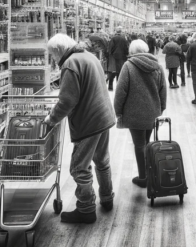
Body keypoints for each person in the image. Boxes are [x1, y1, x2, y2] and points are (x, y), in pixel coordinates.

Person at [44, 34, 116, 223]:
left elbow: (67, 100)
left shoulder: (70, 64)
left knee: (79, 167)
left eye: (52, 55)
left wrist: (51, 119)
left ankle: (86, 209)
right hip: (103, 116)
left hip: (89, 121)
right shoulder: (89, 56)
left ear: (59, 50)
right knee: (102, 160)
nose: (53, 59)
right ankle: (107, 198)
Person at [113, 40, 167, 188]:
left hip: (133, 113)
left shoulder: (128, 66)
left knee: (139, 145)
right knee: (147, 142)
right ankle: (149, 173)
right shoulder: (157, 66)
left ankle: (143, 177)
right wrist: (161, 107)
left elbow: (120, 91)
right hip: (152, 111)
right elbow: (163, 89)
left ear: (132, 51)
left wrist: (118, 111)